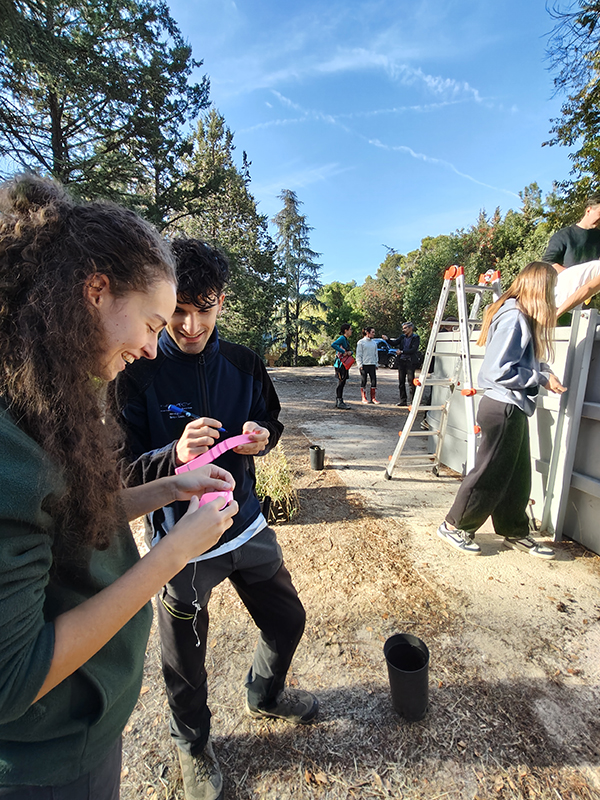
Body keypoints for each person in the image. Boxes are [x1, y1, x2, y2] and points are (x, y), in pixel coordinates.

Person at [0, 176, 238, 798]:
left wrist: (166, 489)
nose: (156, 348)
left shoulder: (47, 387)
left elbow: (68, 516)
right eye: (155, 322)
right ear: (97, 291)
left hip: (81, 732)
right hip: (44, 763)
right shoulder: (8, 445)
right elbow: (12, 677)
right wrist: (173, 553)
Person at [111, 239, 317, 800]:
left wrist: (263, 439)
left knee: (288, 621)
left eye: (205, 307)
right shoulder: (139, 372)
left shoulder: (245, 363)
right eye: (178, 309)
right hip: (180, 544)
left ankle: (266, 694)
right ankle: (193, 748)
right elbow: (118, 474)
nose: (191, 324)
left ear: (222, 301)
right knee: (185, 666)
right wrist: (173, 455)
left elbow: (270, 420)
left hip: (245, 524)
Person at [437, 262, 567, 559]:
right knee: (489, 473)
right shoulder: (515, 318)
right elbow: (496, 372)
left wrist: (542, 371)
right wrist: (541, 378)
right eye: (551, 289)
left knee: (517, 476)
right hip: (503, 406)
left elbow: (521, 363)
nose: (553, 295)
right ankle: (453, 525)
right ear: (539, 288)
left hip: (513, 406)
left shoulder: (518, 316)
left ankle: (515, 531)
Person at [543, 194, 600, 272]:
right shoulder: (563, 236)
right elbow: (548, 262)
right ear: (588, 211)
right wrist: (572, 276)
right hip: (568, 283)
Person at [385, 322, 421, 406]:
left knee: (411, 382)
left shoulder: (415, 337)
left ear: (410, 328)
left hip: (410, 362)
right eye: (403, 328)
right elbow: (394, 343)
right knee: (401, 382)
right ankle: (403, 400)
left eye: (405, 328)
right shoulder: (402, 337)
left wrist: (402, 351)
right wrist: (387, 339)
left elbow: (414, 349)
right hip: (401, 361)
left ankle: (413, 402)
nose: (403, 330)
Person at [356, 326, 380, 404]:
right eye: (372, 332)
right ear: (367, 333)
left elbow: (376, 353)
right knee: (364, 380)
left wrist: (376, 363)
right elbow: (359, 354)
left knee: (374, 381)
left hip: (372, 364)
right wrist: (360, 364)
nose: (374, 334)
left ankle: (373, 398)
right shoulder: (361, 342)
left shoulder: (374, 343)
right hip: (364, 364)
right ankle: (364, 397)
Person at [331, 323, 353, 409]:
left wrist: (351, 352)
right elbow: (333, 344)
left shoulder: (346, 339)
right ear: (345, 330)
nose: (351, 331)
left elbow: (349, 350)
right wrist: (343, 352)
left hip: (344, 364)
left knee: (343, 382)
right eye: (350, 329)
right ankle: (339, 401)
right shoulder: (342, 338)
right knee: (341, 382)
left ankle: (340, 400)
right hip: (340, 364)